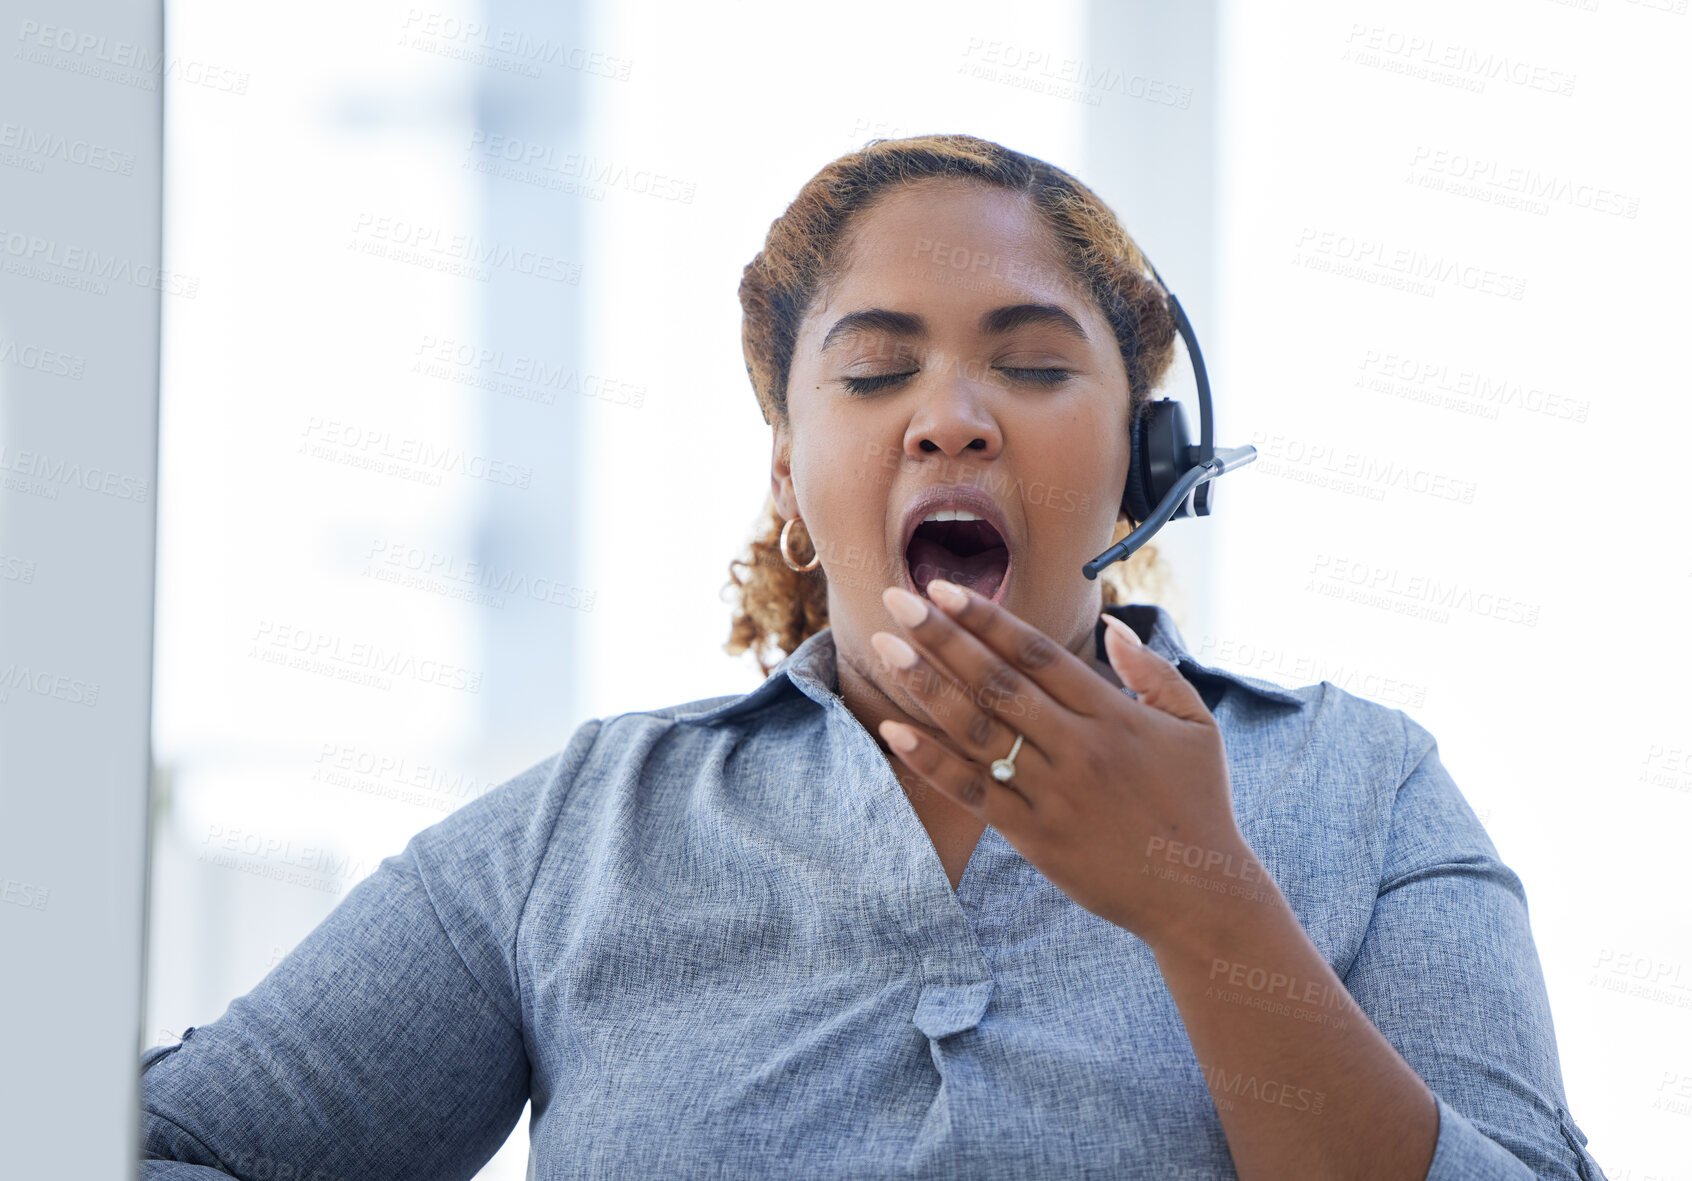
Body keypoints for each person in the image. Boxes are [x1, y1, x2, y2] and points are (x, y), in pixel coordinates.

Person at [140, 134, 1608, 1180]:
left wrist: (1207, 909)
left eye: (1033, 365)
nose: (953, 416)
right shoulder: (581, 832)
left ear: (1147, 464)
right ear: (789, 471)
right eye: (873, 369)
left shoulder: (1367, 789)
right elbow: (164, 1147)